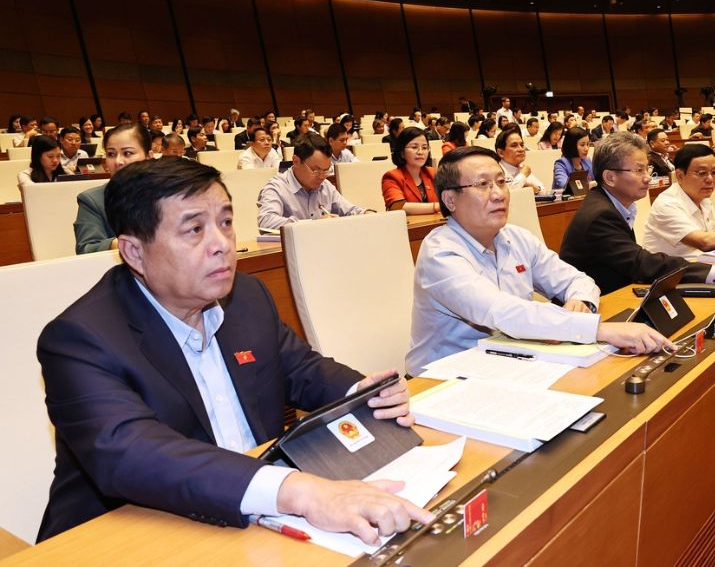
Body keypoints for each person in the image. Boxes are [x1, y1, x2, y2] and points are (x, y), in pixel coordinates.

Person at [39, 157, 431, 542]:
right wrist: (299, 491)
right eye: (194, 229)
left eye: (225, 222)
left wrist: (361, 393)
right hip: (127, 536)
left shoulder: (245, 295)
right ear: (134, 252)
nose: (222, 244)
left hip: (253, 520)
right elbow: (131, 453)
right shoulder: (81, 338)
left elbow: (299, 368)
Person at [406, 145, 674, 375]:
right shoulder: (440, 253)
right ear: (450, 199)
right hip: (444, 377)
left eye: (501, 182)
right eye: (482, 185)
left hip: (512, 361)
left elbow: (579, 279)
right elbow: (502, 312)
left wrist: (581, 302)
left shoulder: (516, 237)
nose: (498, 193)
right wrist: (597, 330)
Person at [559, 133, 715, 295]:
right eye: (638, 170)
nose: (647, 178)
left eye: (647, 169)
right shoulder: (600, 215)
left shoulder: (611, 205)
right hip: (598, 306)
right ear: (610, 178)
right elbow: (642, 264)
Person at [74, 124, 150, 254]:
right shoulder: (93, 200)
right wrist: (123, 244)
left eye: (127, 153)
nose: (118, 161)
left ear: (148, 156)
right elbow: (87, 248)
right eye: (111, 154)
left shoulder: (167, 193)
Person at [257, 141, 366, 229]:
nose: (322, 176)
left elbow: (350, 210)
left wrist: (366, 213)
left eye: (326, 170)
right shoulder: (276, 187)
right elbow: (266, 221)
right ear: (296, 161)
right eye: (315, 170)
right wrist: (313, 224)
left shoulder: (325, 186)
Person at [382, 127, 440, 214]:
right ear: (402, 152)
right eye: (414, 147)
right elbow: (397, 206)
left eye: (424, 148)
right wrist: (437, 207)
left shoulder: (432, 172)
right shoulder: (392, 177)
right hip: (407, 223)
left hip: (436, 221)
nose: (420, 152)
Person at [496, 126, 544, 193]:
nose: (521, 149)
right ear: (501, 153)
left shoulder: (521, 167)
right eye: (514, 145)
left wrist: (536, 189)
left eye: (522, 145)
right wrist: (522, 176)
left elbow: (543, 189)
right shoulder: (495, 170)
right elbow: (507, 194)